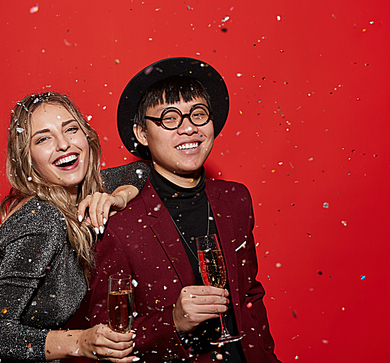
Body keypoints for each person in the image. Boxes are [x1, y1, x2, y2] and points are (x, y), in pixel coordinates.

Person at [88, 58, 281, 362]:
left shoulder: (235, 199)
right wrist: (173, 321)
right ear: (141, 133)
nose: (189, 128)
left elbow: (249, 297)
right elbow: (108, 335)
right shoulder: (119, 220)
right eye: (169, 118)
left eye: (198, 115)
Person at [0, 92, 149, 362]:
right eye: (44, 138)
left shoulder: (79, 196)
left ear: (87, 137)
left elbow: (143, 171)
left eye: (71, 129)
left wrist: (120, 196)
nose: (63, 144)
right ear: (28, 159)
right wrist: (80, 342)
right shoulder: (43, 220)